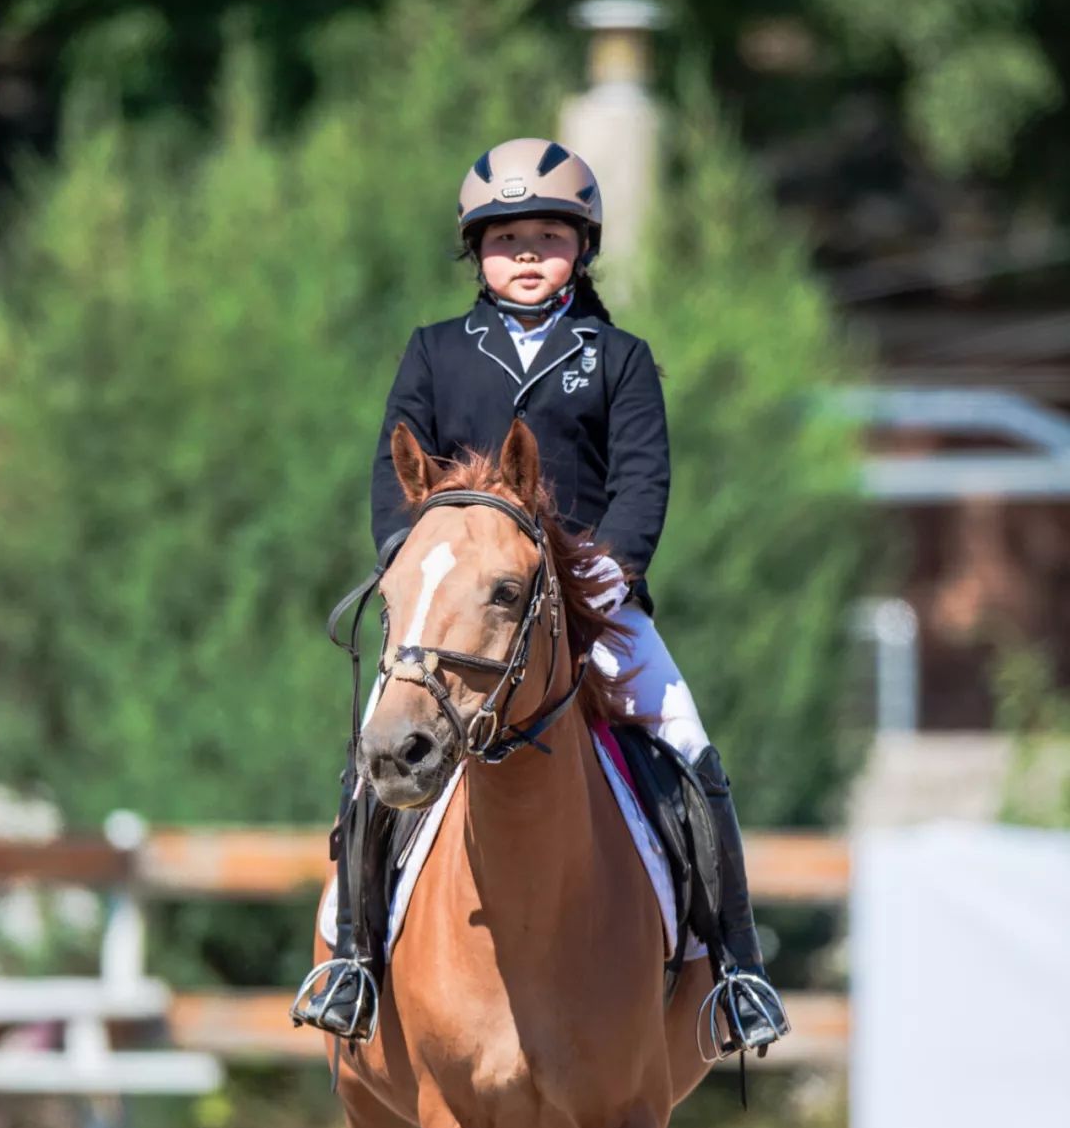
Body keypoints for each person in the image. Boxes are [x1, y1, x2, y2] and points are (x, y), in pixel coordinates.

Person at [316, 137, 789, 1056]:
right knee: (377, 748)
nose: (526, 254)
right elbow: (393, 473)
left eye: (547, 235)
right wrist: (412, 565)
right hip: (459, 618)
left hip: (592, 608)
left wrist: (608, 575)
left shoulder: (618, 357)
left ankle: (736, 970)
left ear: (582, 247)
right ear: (475, 253)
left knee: (689, 743)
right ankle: (357, 961)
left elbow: (644, 479)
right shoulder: (435, 352)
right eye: (504, 238)